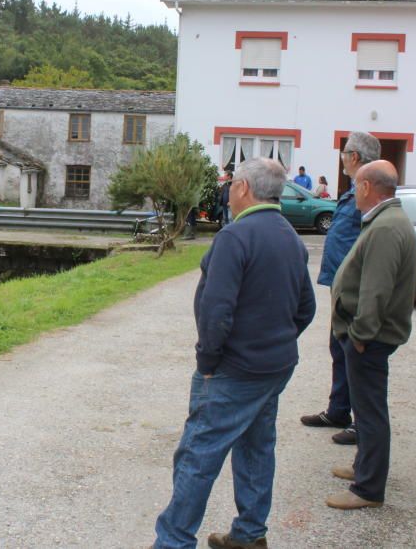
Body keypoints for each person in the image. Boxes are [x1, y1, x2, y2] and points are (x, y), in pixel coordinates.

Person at [152, 158, 316, 549]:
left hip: (233, 370)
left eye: (231, 184)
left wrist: (209, 362)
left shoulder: (235, 236)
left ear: (243, 188)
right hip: (274, 365)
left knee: (198, 455)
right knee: (257, 447)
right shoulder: (290, 236)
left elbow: (216, 310)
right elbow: (306, 308)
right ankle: (249, 534)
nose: (228, 190)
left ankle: (173, 542)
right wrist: (274, 340)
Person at [326, 160, 416, 510]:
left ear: (366, 187)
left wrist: (360, 335)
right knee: (367, 409)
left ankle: (368, 489)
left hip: (370, 338)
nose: (352, 195)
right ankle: (362, 468)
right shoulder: (387, 221)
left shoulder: (386, 227)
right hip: (370, 335)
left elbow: (375, 291)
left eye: (355, 186)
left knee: (369, 412)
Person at [300, 131, 381, 447]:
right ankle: (338, 411)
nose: (342, 157)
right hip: (341, 285)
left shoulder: (368, 191)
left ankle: (362, 424)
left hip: (355, 290)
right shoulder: (354, 190)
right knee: (339, 349)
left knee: (357, 355)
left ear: (355, 157)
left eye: (344, 152)